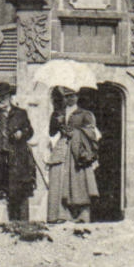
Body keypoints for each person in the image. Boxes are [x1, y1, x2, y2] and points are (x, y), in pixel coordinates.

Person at [0, 81, 36, 223]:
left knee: (16, 192)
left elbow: (30, 131)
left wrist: (22, 133)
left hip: (15, 160)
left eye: (4, 96)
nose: (1, 98)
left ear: (10, 96)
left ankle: (16, 224)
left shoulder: (20, 113)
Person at [45, 87, 101, 223]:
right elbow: (51, 133)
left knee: (79, 181)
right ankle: (60, 215)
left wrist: (75, 133)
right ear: (63, 97)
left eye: (73, 95)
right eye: (67, 96)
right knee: (58, 178)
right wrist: (57, 122)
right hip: (62, 149)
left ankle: (81, 216)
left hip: (78, 153)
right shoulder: (58, 113)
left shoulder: (85, 114)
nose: (70, 99)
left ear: (77, 97)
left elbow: (92, 133)